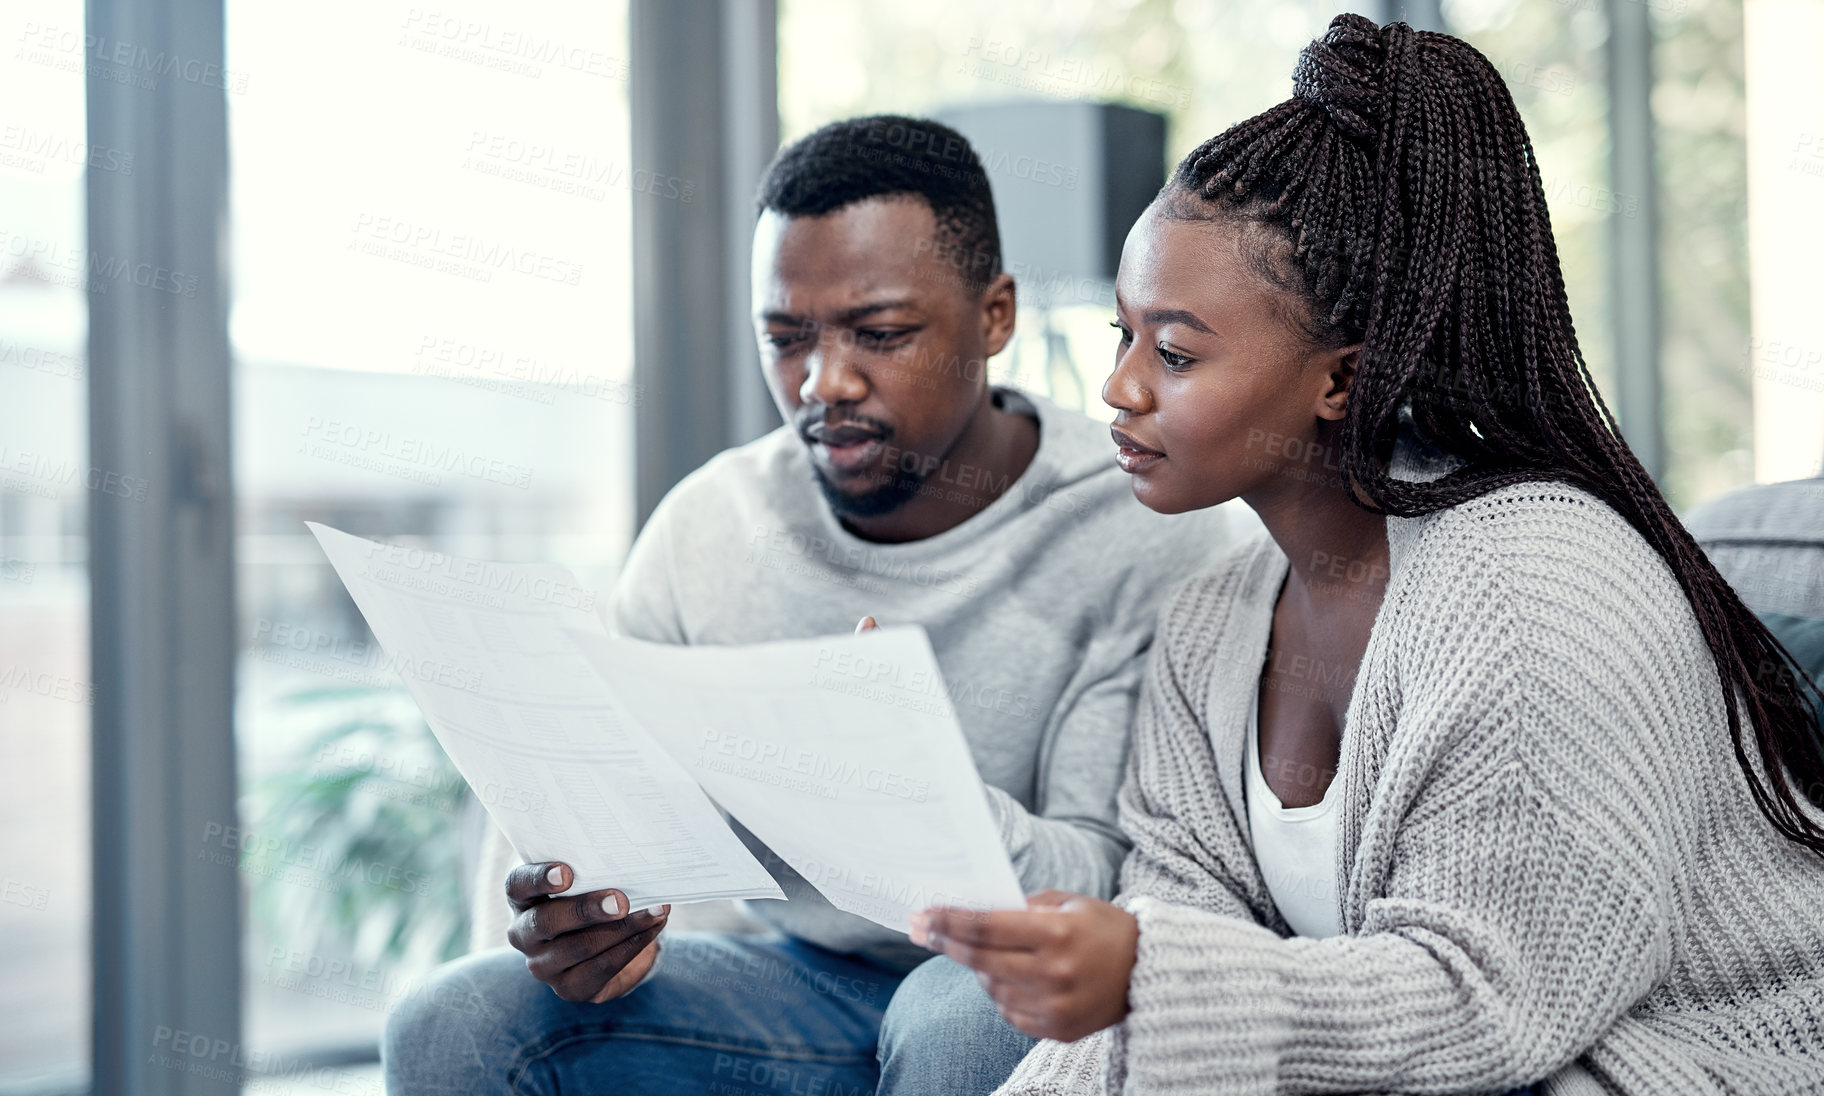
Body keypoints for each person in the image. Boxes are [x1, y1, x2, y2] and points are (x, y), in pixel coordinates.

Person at [909, 16, 1824, 1096]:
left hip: (1652, 1065)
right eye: (1122, 335)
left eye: (1175, 351)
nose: (1120, 388)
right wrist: (1131, 984)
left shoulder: (1538, 596)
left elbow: (1486, 1001)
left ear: (1341, 378)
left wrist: (1153, 976)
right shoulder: (1212, 624)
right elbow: (1158, 993)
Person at [382, 115, 1252, 1096]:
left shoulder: (1136, 526)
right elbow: (605, 828)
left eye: (880, 334)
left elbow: (1110, 881)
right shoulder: (713, 525)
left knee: (956, 1021)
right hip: (791, 979)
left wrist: (912, 787)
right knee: (452, 1021)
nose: (822, 383)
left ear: (995, 316)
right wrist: (582, 916)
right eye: (784, 338)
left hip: (997, 977)